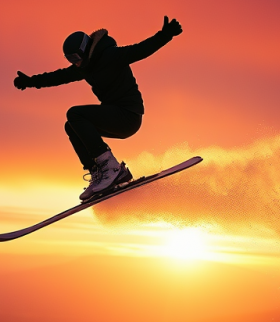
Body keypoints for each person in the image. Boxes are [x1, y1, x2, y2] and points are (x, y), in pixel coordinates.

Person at [14, 16, 183, 201]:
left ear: (84, 50)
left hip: (128, 116)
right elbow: (58, 77)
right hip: (114, 117)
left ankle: (111, 168)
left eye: (75, 58)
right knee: (71, 126)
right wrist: (30, 82)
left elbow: (141, 50)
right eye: (70, 59)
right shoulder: (85, 67)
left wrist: (165, 35)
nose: (74, 63)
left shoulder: (111, 55)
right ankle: (98, 172)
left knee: (74, 113)